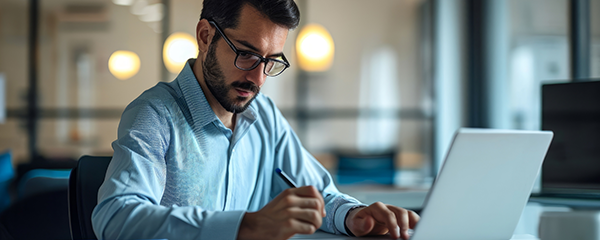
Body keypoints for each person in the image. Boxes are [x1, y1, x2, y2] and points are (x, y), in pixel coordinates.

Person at [92, 0, 420, 239]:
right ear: (206, 36)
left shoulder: (264, 117)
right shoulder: (154, 114)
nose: (259, 79)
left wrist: (354, 216)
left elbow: (318, 194)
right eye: (246, 54)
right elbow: (116, 218)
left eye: (271, 61)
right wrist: (247, 225)